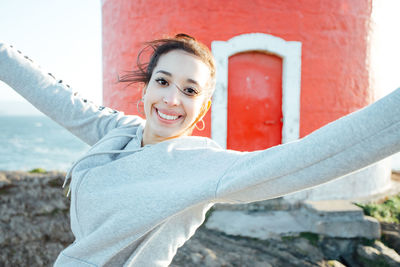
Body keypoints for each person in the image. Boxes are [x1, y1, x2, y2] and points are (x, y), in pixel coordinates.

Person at [0, 34, 400, 267]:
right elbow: (51, 91)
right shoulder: (117, 131)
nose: (172, 99)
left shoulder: (206, 168)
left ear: (203, 107)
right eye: (163, 81)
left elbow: (310, 157)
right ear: (145, 90)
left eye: (190, 90)